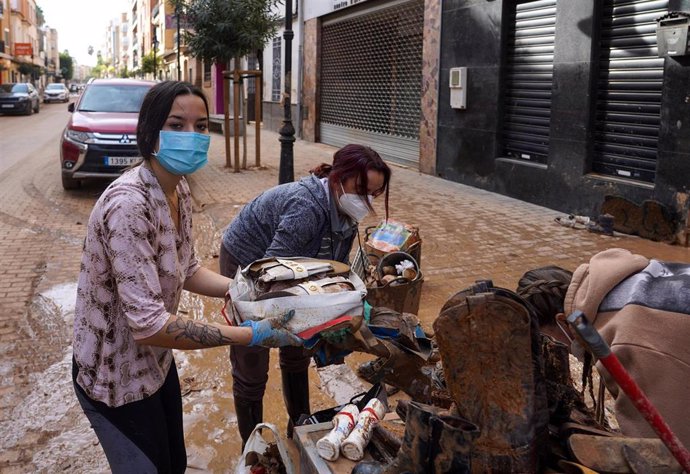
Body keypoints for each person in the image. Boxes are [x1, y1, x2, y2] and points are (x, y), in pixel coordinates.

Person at [72, 81, 301, 473]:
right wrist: (251, 334)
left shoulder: (178, 190)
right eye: (176, 125)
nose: (191, 137)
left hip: (156, 365)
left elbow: (187, 268)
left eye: (201, 126)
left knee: (174, 463)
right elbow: (148, 325)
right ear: (149, 132)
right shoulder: (128, 205)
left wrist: (247, 290)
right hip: (114, 379)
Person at [220, 144, 392, 446]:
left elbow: (330, 270)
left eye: (374, 194)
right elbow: (269, 276)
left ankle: (299, 428)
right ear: (340, 177)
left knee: (299, 348)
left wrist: (337, 314)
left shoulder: (345, 212)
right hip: (248, 262)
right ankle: (254, 447)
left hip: (292, 267)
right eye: (362, 189)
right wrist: (277, 322)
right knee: (253, 358)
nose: (366, 201)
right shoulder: (306, 209)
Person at [517, 248, 690, 448]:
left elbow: (659, 452)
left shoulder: (628, 342)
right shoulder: (625, 283)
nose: (553, 352)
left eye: (549, 342)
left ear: (563, 322)